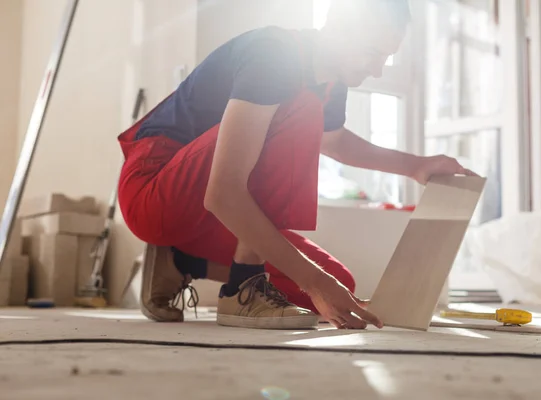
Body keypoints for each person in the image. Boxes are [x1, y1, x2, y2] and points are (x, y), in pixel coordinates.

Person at [117, 0, 475, 330]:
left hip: (202, 218)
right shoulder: (274, 57)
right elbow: (224, 193)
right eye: (372, 53)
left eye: (386, 58)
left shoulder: (330, 83)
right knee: (302, 111)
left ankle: (180, 262)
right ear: (337, 26)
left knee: (340, 289)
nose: (378, 70)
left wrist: (416, 166)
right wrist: (315, 281)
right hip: (153, 192)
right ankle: (243, 287)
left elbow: (334, 142)